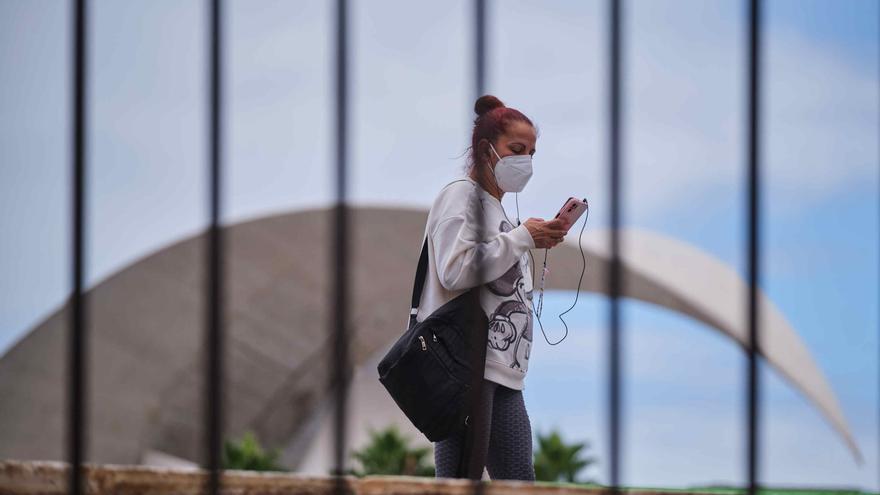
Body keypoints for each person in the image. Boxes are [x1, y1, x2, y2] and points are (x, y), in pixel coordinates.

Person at [414, 94, 568, 481]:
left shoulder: (497, 208)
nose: (527, 162)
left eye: (532, 152)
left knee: (518, 481)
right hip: (465, 367)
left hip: (500, 371)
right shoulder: (461, 196)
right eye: (517, 149)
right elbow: (454, 270)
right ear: (487, 150)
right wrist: (520, 239)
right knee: (458, 482)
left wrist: (529, 240)